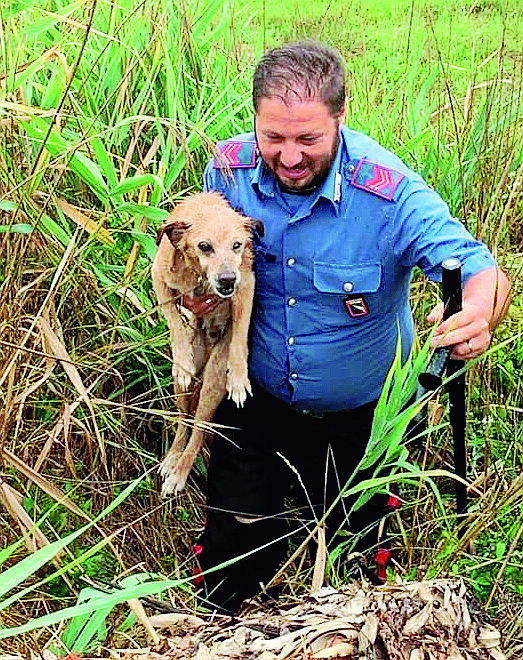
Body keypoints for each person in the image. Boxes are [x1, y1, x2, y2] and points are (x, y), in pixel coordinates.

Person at [194, 41, 511, 613]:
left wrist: (478, 314)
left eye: (308, 139)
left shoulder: (388, 193)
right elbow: (197, 240)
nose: (288, 156)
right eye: (274, 137)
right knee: (228, 578)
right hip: (256, 396)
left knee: (359, 579)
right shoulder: (229, 168)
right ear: (256, 123)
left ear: (341, 118)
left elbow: (476, 265)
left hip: (362, 415)